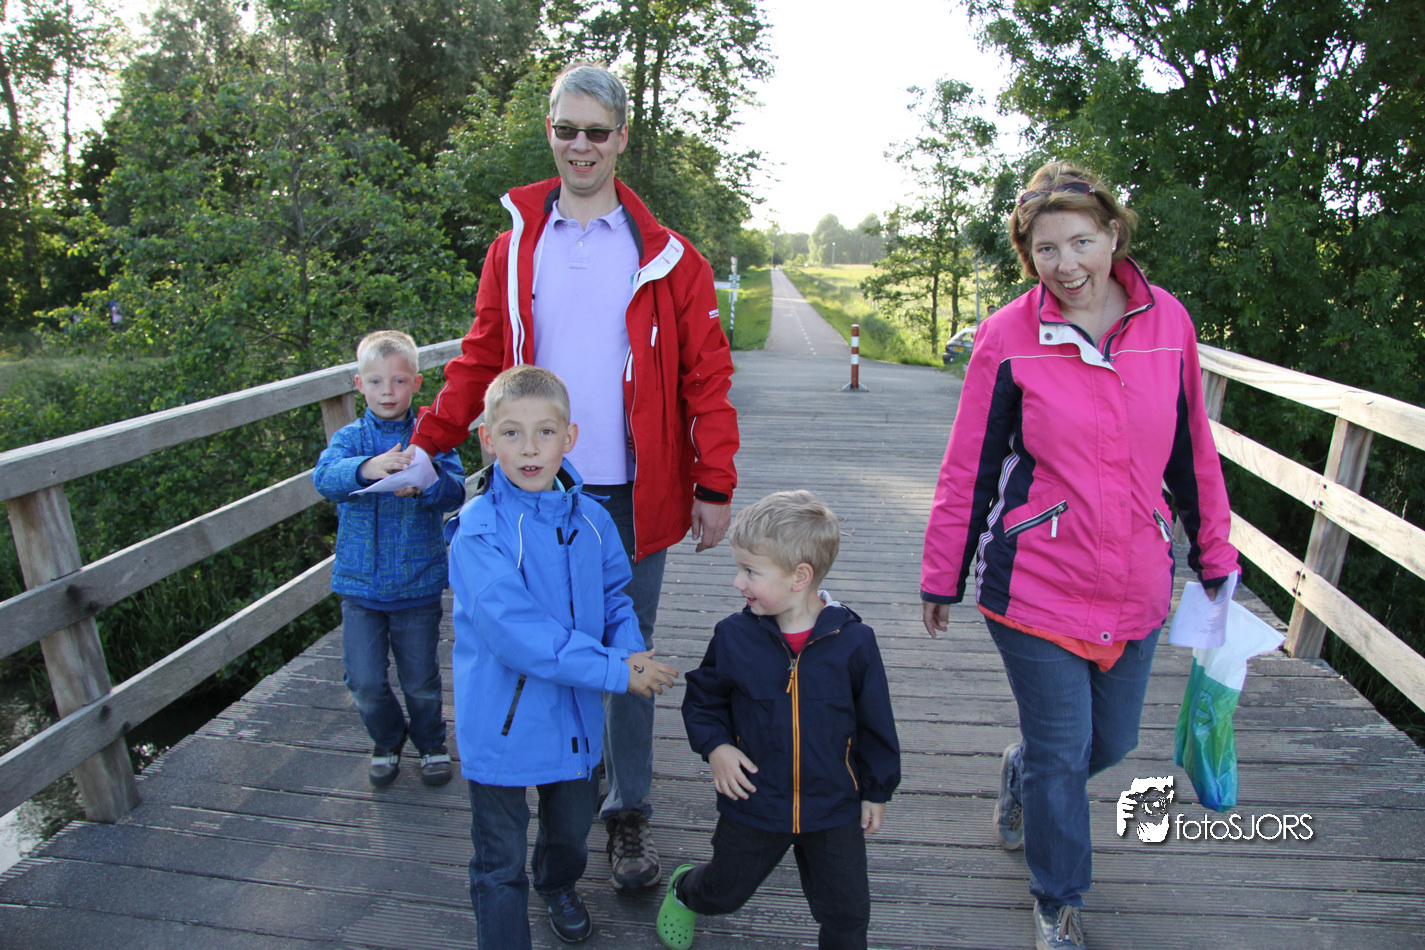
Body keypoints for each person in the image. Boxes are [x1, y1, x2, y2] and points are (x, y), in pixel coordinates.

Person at [410, 60, 739, 891]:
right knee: (536, 642)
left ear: (621, 138)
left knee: (626, 650)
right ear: (549, 133)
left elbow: (706, 377)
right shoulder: (515, 247)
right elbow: (481, 357)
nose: (581, 145)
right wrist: (425, 442)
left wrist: (714, 483)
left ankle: (627, 812)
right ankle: (561, 795)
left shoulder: (670, 257)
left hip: (632, 491)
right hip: (531, 487)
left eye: (597, 131)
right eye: (567, 129)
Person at [920, 161, 1240, 950]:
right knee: (1063, 754)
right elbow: (969, 463)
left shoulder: (1167, 321)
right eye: (1045, 249)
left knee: (1110, 743)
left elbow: (1192, 450)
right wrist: (942, 573)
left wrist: (1213, 554)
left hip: (1136, 578)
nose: (1065, 265)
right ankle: (1057, 902)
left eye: (1081, 242)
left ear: (1113, 236)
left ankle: (1021, 772)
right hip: (1033, 581)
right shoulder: (1006, 336)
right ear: (1026, 255)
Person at [446, 365, 681, 948]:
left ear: (569, 437)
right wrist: (616, 671)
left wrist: (629, 651)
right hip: (501, 724)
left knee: (570, 831)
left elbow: (616, 597)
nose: (530, 448)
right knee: (498, 858)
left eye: (545, 432)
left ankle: (557, 886)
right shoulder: (478, 531)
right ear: (487, 438)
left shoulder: (593, 520)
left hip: (575, 717)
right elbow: (517, 634)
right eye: (512, 433)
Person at [659, 490, 901, 950]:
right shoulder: (734, 636)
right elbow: (704, 701)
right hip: (754, 801)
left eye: (751, 571)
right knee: (724, 892)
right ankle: (685, 891)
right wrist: (716, 747)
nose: (738, 582)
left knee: (848, 915)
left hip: (833, 805)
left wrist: (876, 789)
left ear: (800, 577)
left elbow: (876, 722)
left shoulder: (854, 642)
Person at [312, 330, 466, 788]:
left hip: (417, 585)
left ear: (416, 383)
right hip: (359, 588)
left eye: (398, 381)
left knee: (420, 680)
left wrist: (427, 484)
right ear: (359, 384)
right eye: (376, 382)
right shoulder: (351, 438)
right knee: (363, 681)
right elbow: (325, 477)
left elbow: (455, 491)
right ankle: (387, 739)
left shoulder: (431, 437)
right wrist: (365, 469)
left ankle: (431, 743)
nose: (387, 392)